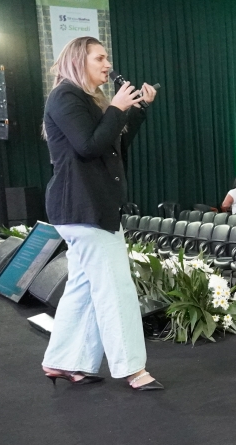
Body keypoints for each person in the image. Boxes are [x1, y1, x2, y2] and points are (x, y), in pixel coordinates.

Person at [39, 35, 161, 391]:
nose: (108, 65)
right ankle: (132, 369)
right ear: (79, 60)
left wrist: (136, 110)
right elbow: (88, 146)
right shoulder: (65, 96)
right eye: (100, 58)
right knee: (115, 289)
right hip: (83, 207)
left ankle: (64, 361)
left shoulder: (88, 100)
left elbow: (113, 144)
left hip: (89, 207)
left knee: (83, 288)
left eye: (107, 58)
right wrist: (117, 109)